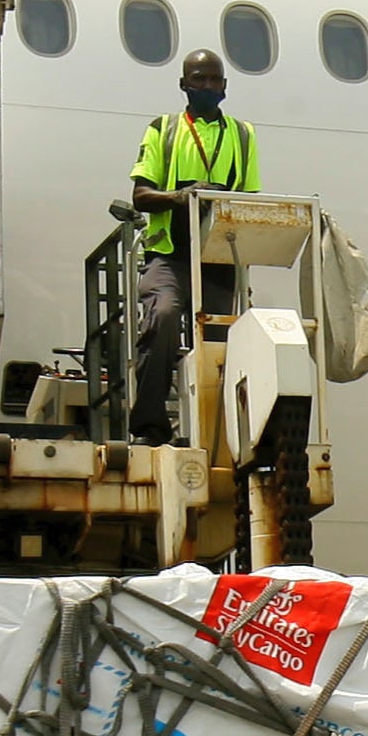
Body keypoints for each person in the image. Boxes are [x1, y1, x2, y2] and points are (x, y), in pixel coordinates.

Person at [127, 47, 260, 442]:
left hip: (218, 256)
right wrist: (181, 196)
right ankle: (150, 426)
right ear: (183, 85)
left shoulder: (242, 134)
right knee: (163, 316)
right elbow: (140, 196)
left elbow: (250, 198)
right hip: (169, 254)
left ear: (225, 86)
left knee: (223, 340)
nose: (206, 86)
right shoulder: (163, 129)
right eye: (198, 79)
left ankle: (222, 434)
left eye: (213, 80)